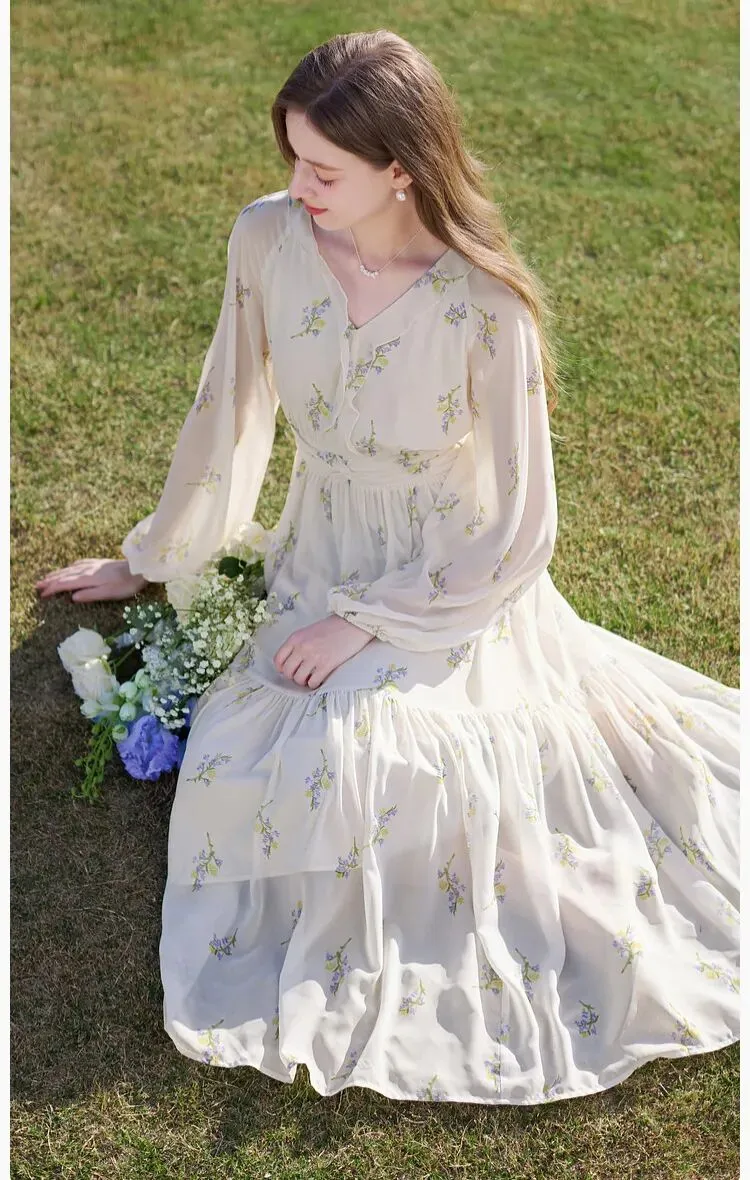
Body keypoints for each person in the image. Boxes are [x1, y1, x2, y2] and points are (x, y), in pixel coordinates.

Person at [35, 30, 739, 1104]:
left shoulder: (485, 304)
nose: (297, 186)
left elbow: (519, 530)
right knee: (248, 761)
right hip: (319, 547)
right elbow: (228, 408)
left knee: (393, 767)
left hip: (450, 580)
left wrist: (368, 621)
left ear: (401, 168)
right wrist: (158, 555)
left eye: (325, 169)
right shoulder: (267, 239)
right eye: (292, 157)